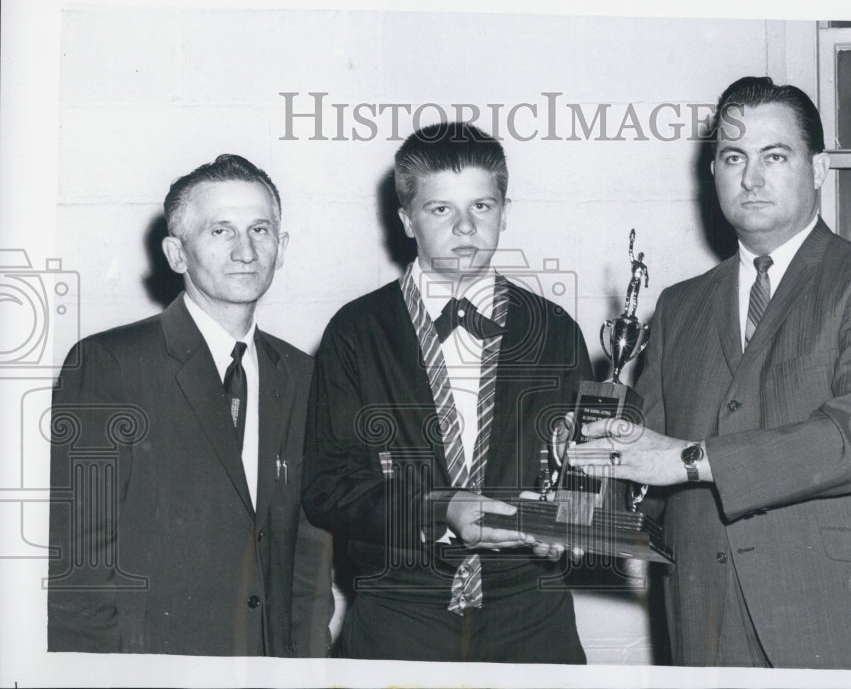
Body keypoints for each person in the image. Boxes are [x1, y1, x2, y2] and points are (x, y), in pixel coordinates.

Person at [568, 77, 851, 670]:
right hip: (707, 626)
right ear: (713, 171)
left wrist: (687, 458)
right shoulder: (679, 305)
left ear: (817, 169)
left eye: (775, 156)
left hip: (843, 625)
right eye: (734, 157)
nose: (752, 178)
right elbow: (648, 479)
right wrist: (579, 486)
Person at [303, 122, 592, 663]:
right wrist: (442, 509)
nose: (465, 227)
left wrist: (568, 525)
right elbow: (327, 487)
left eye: (482, 206)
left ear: (505, 210)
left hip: (529, 614)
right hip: (398, 613)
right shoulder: (356, 331)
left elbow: (578, 469)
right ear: (406, 219)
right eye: (441, 210)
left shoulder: (554, 328)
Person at [48, 154, 334, 656]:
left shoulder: (304, 375)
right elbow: (79, 565)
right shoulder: (109, 365)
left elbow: (309, 561)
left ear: (282, 247)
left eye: (260, 230)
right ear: (177, 254)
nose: (246, 250)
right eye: (221, 231)